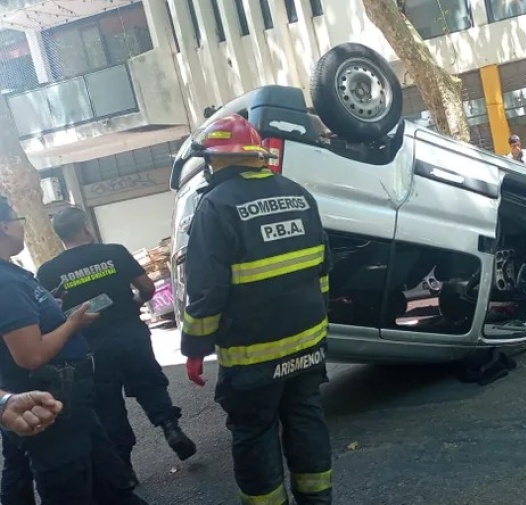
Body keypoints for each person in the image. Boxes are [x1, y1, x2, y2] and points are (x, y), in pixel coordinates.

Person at [180, 114, 333, 505]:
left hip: (254, 355)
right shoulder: (301, 195)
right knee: (306, 420)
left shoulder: (215, 207)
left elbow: (206, 292)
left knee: (254, 433)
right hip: (309, 343)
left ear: (217, 160)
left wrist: (194, 349)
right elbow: (323, 273)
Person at [0, 195, 148, 505]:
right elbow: (30, 355)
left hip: (70, 404)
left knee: (112, 483)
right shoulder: (6, 283)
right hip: (50, 406)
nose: (21, 227)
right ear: (4, 228)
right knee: (72, 490)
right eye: (19, 220)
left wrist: (49, 310)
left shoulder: (13, 275)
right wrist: (73, 322)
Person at [36, 206, 197, 485]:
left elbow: (48, 314)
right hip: (130, 334)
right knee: (149, 384)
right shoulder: (114, 252)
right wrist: (135, 303)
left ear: (59, 235)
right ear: (86, 226)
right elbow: (147, 287)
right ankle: (170, 427)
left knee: (107, 405)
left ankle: (125, 467)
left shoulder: (49, 271)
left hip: (90, 346)